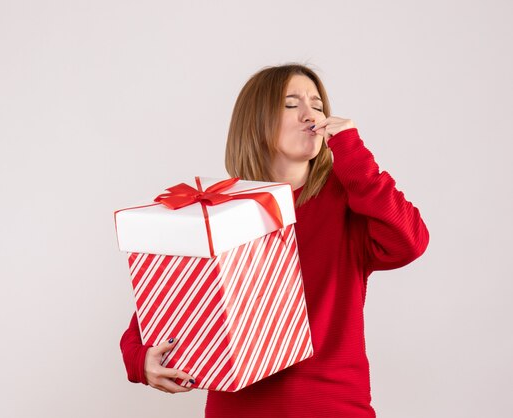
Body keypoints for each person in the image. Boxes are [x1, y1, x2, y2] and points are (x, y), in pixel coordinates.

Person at [120, 63, 429, 417]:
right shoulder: (222, 209)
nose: (310, 113)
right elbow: (166, 298)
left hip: (334, 408)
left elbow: (411, 240)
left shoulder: (349, 201)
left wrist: (352, 153)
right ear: (256, 121)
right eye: (290, 103)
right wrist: (138, 358)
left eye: (316, 103)